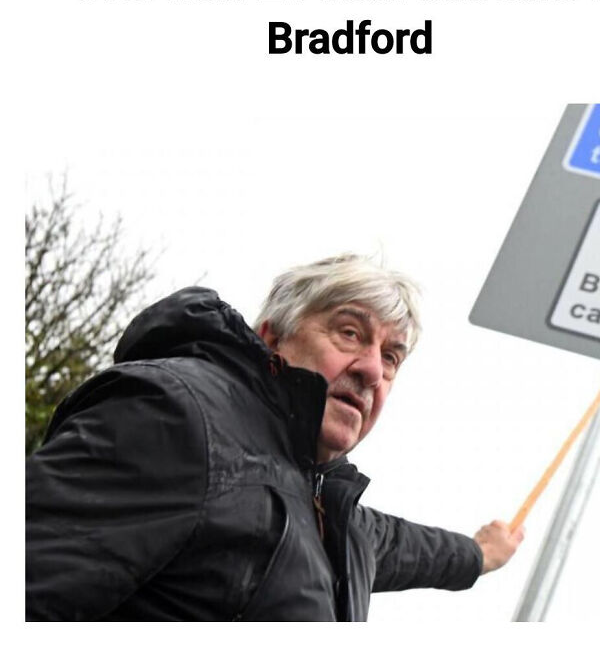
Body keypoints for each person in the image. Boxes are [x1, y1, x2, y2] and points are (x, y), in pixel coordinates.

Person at [26, 254, 523, 621]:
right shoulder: (178, 414)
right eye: (349, 333)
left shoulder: (332, 512)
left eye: (391, 357)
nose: (372, 369)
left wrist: (480, 554)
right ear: (273, 338)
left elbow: (405, 546)